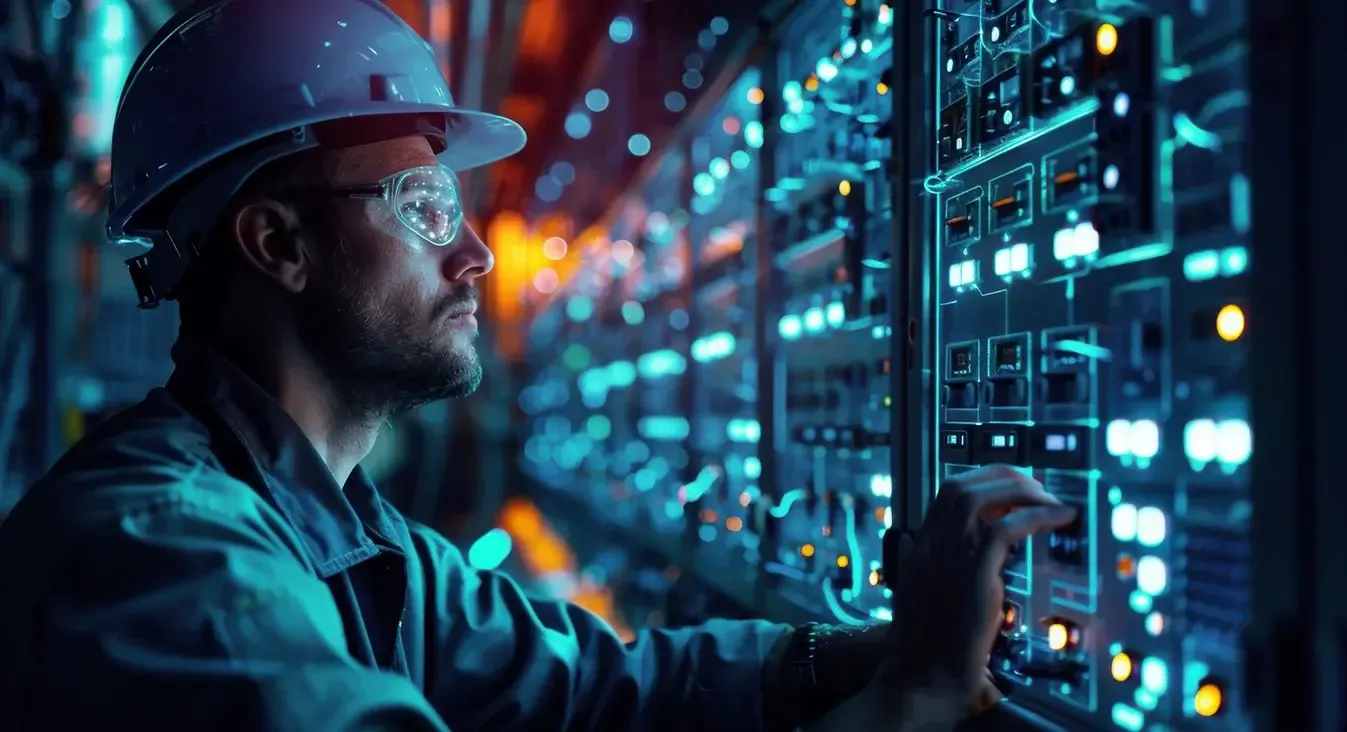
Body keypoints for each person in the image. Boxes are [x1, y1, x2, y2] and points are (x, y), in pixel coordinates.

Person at [0, 1, 1078, 730]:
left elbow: (602, 683)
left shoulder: (349, 535)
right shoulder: (168, 562)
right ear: (276, 243)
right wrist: (913, 698)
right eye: (422, 207)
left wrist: (869, 649)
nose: (471, 255)